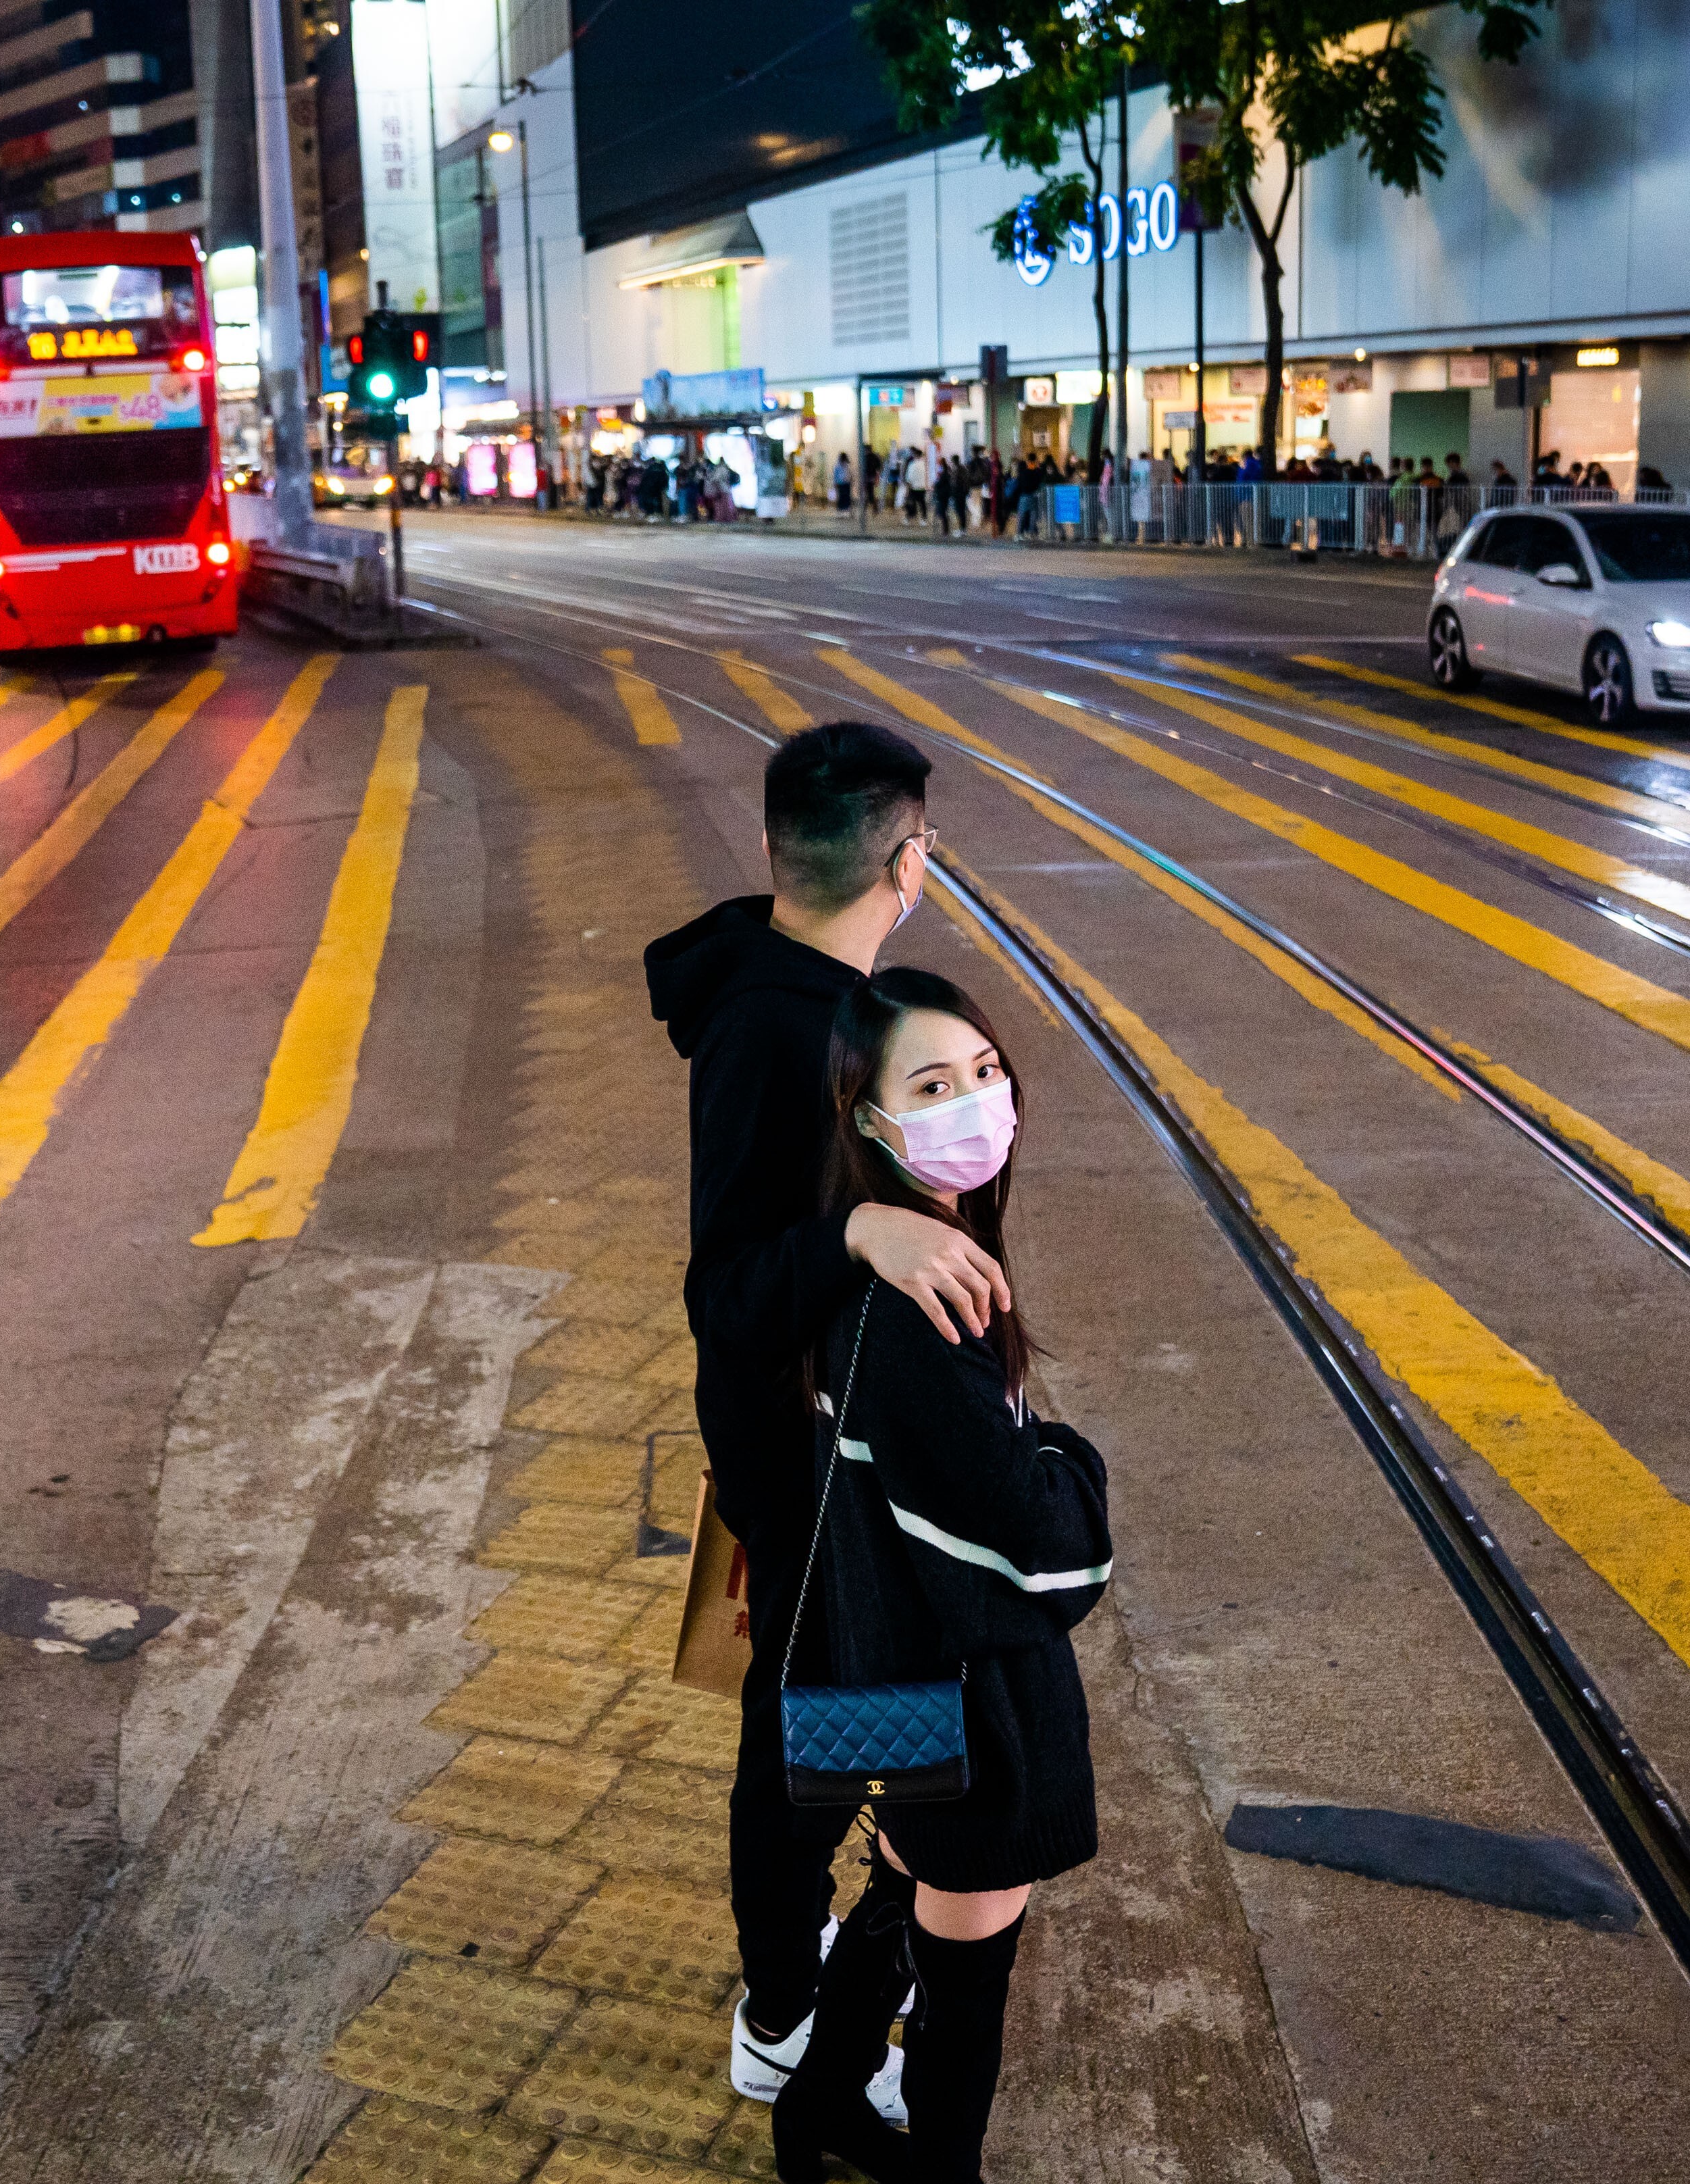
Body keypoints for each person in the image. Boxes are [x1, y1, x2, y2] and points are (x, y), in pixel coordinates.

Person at [642, 721, 1015, 2142]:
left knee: (849, 1721)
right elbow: (723, 1283)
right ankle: (783, 2024)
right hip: (803, 1465)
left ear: (775, 851)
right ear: (910, 860)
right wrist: (858, 1224)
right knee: (805, 1747)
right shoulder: (775, 1023)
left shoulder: (817, 988)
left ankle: (826, 1994)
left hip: (836, 1449)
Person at [767, 965, 1110, 2183]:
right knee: (971, 1958)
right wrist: (1069, 1457)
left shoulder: (887, 1264)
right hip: (975, 1688)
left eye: (984, 1072)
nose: (976, 1099)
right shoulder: (919, 1305)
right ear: (868, 1117)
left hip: (895, 1656)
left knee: (903, 1879)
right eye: (932, 1082)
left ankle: (812, 2108)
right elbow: (1034, 1543)